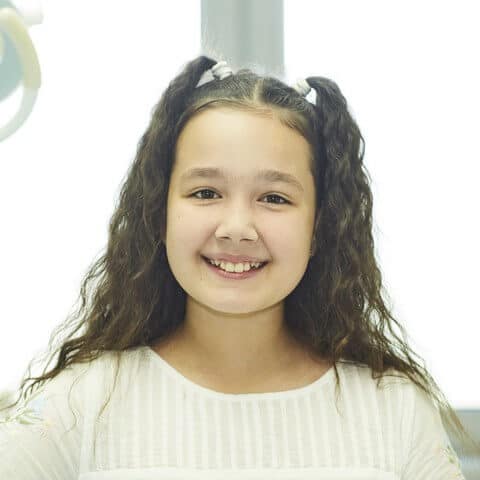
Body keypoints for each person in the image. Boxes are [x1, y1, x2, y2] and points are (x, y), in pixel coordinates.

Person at [0, 55, 474, 479]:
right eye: (205, 192)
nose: (237, 228)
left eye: (274, 198)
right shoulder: (78, 408)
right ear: (159, 213)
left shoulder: (394, 412)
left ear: (320, 227)